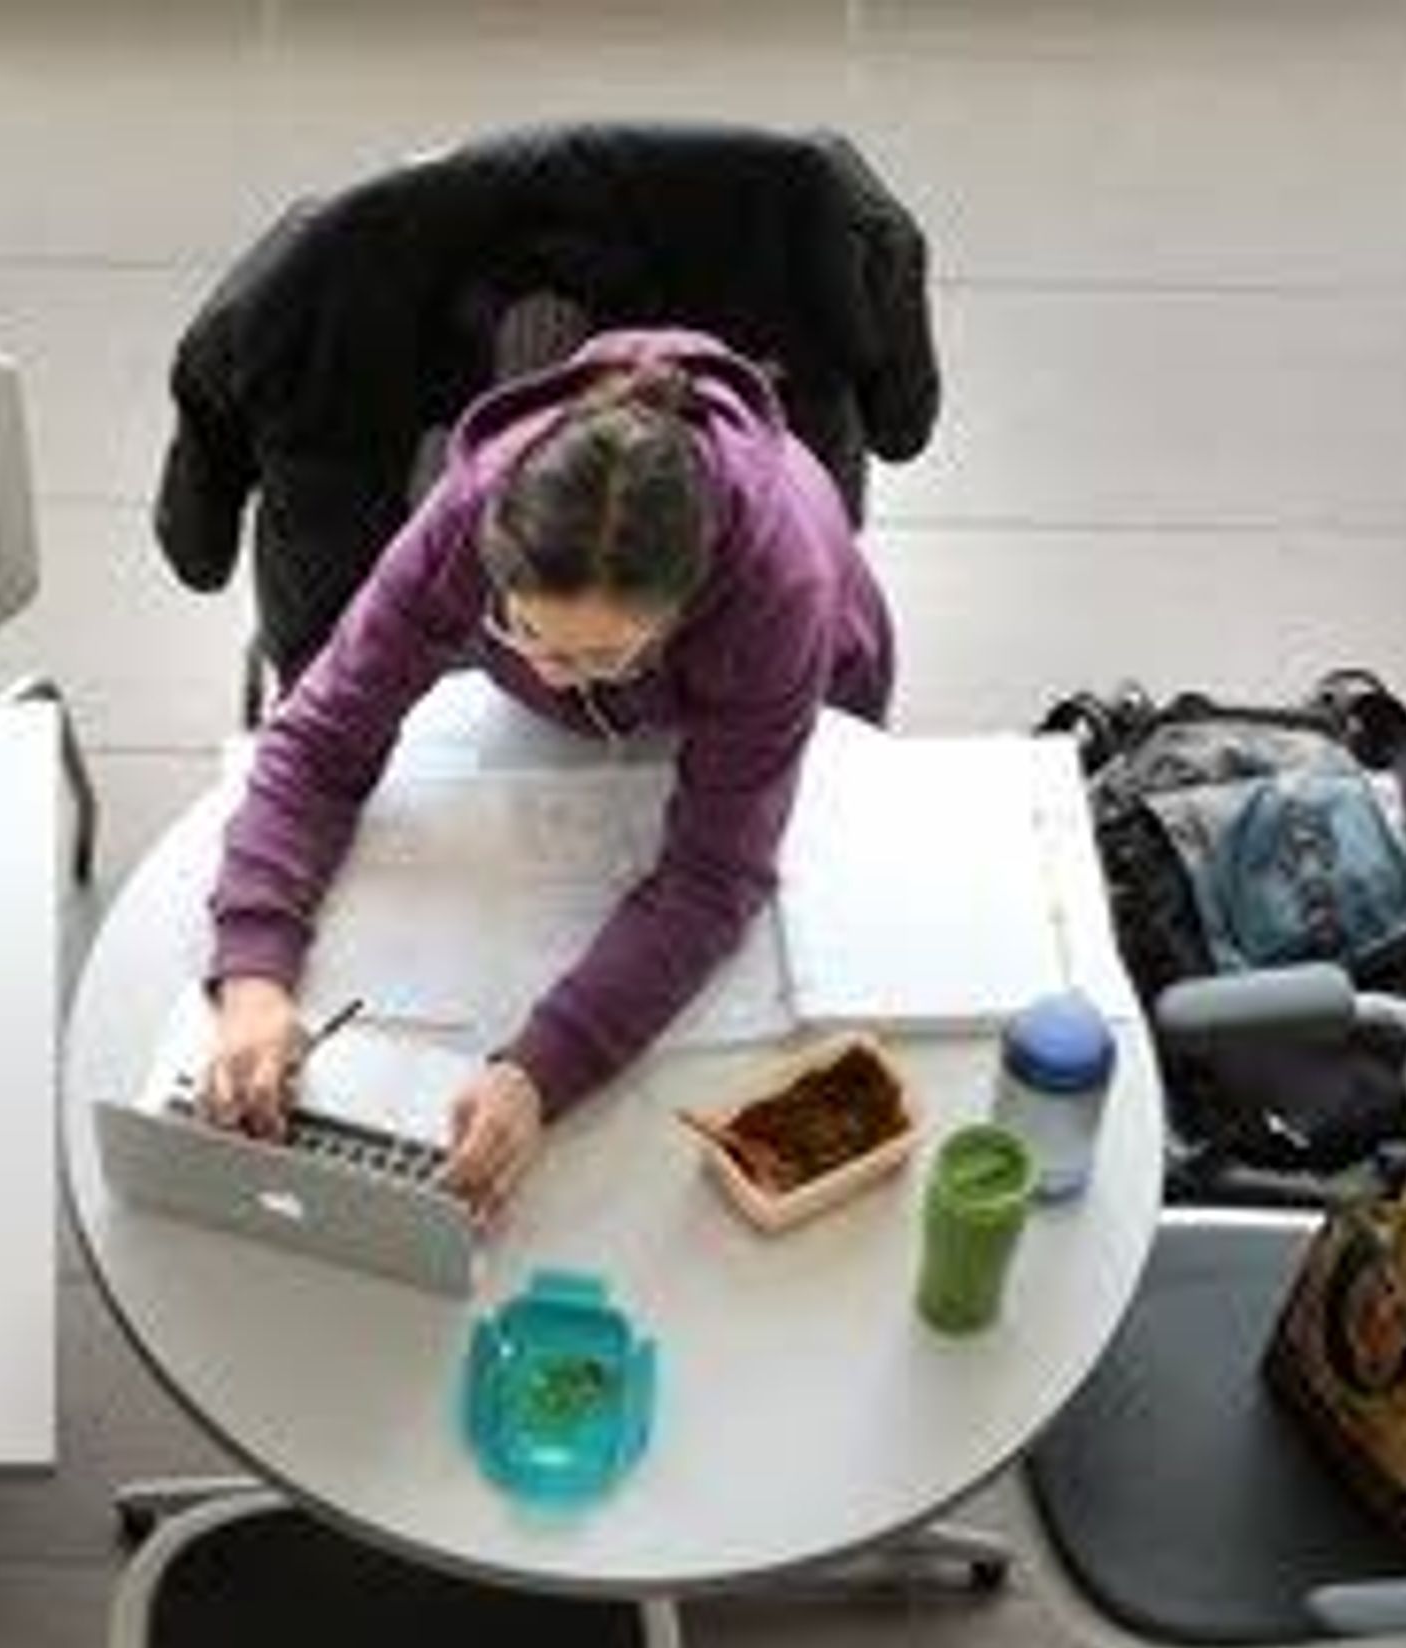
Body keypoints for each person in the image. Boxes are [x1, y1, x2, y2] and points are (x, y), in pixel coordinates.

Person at [202, 324, 896, 1221]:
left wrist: (540, 1069)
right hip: (615, 715)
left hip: (793, 691)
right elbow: (319, 735)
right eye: (523, 632)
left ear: (684, 611)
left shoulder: (775, 592)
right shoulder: (483, 503)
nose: (554, 673)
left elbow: (714, 876)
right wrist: (255, 971)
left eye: (599, 654)